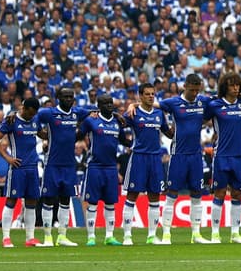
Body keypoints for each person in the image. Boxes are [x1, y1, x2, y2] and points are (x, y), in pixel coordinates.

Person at [159, 73, 212, 243]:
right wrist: (134, 105)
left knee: (197, 193)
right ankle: (166, 233)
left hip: (196, 155)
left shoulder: (202, 100)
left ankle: (196, 234)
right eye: (192, 90)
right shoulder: (173, 102)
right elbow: (152, 105)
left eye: (197, 90)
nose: (195, 93)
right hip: (178, 155)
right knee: (171, 194)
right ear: (185, 86)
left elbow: (224, 97)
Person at [34, 86, 89, 247]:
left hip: (69, 164)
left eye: (71, 96)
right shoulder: (49, 113)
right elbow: (33, 118)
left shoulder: (76, 113)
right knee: (49, 199)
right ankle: (47, 237)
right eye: (65, 96)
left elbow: (93, 113)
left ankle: (62, 236)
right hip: (52, 163)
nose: (68, 99)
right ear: (58, 98)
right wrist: (42, 134)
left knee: (66, 199)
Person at [205, 73, 241, 244]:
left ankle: (235, 233)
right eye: (232, 85)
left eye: (238, 85)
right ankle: (215, 233)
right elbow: (202, 115)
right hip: (221, 155)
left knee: (238, 193)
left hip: (238, 155)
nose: (236, 88)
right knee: (219, 192)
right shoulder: (215, 105)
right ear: (225, 87)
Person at [123, 83, 170, 245]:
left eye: (153, 94)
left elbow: (168, 132)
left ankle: (151, 235)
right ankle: (127, 236)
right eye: (148, 94)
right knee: (132, 196)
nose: (151, 96)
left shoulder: (159, 113)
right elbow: (118, 124)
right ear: (140, 96)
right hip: (139, 158)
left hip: (155, 159)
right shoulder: (133, 113)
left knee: (155, 197)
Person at [0, 95, 45, 247]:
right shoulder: (11, 121)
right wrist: (8, 158)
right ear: (24, 109)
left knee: (31, 201)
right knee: (11, 200)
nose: (32, 116)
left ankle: (30, 238)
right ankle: (6, 238)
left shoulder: (35, 120)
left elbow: (42, 134)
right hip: (17, 167)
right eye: (30, 113)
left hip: (32, 167)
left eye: (34, 114)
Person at [79, 95, 125, 246]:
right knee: (92, 203)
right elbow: (78, 135)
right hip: (95, 167)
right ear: (99, 105)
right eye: (105, 103)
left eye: (111, 103)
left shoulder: (117, 122)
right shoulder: (91, 121)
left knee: (110, 203)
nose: (109, 106)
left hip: (111, 167)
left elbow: (124, 140)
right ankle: (91, 236)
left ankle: (109, 236)